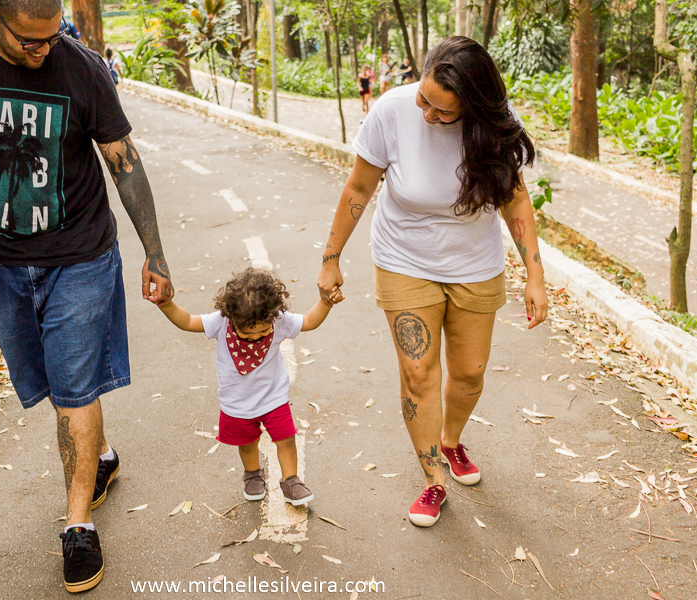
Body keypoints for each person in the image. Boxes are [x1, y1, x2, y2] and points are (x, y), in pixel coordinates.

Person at [0, 0, 173, 592]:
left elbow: (125, 165)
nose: (44, 50)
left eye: (53, 37)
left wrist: (155, 253)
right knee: (51, 385)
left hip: (80, 256)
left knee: (75, 386)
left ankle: (77, 526)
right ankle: (99, 456)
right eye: (31, 40)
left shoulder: (80, 66)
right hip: (2, 263)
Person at [316, 36, 548, 528]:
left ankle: (451, 438)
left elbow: (515, 200)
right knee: (419, 374)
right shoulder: (391, 111)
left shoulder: (495, 126)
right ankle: (433, 478)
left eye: (442, 111)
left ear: (473, 105)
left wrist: (535, 274)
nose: (426, 114)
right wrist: (330, 257)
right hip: (404, 259)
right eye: (423, 99)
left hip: (474, 265)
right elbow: (359, 187)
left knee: (470, 373)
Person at [158, 268, 341, 506]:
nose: (256, 339)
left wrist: (325, 302)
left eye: (263, 332)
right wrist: (166, 305)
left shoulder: (279, 320)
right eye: (247, 334)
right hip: (237, 403)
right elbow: (188, 321)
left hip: (273, 398)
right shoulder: (221, 322)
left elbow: (308, 321)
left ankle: (291, 480)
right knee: (246, 444)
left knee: (286, 439)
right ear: (232, 318)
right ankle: (253, 474)